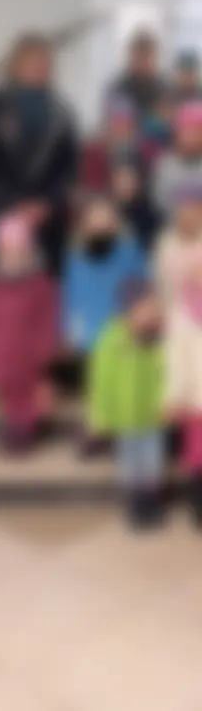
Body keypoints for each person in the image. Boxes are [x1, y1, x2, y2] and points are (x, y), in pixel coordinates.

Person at [0, 32, 81, 278]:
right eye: (31, 61)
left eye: (44, 61)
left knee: (47, 293)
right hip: (4, 216)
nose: (38, 67)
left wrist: (48, 204)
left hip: (49, 223)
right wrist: (15, 203)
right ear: (15, 64)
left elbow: (69, 166)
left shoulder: (62, 111)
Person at [0, 215, 60, 455]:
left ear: (28, 252)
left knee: (26, 390)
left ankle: (27, 427)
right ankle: (12, 424)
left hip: (28, 349)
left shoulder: (40, 285)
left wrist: (47, 346)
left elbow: (48, 317)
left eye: (18, 251)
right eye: (8, 251)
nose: (13, 256)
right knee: (7, 390)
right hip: (0, 347)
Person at [85, 279, 167, 529]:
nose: (150, 312)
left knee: (152, 461)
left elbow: (165, 373)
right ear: (128, 309)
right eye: (145, 307)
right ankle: (135, 504)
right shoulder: (111, 338)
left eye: (153, 307)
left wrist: (168, 401)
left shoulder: (160, 340)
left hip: (153, 415)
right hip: (125, 417)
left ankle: (151, 501)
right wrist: (100, 416)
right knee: (130, 463)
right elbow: (101, 381)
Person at [59, 195, 147, 402]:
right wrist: (67, 332)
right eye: (95, 217)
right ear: (86, 222)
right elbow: (69, 297)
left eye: (105, 216)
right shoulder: (75, 257)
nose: (100, 222)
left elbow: (141, 288)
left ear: (114, 220)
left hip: (121, 331)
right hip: (87, 336)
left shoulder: (130, 251)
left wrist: (135, 322)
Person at [154, 182, 202, 522]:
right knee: (196, 454)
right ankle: (197, 504)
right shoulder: (182, 319)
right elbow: (175, 362)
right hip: (195, 399)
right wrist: (173, 396)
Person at [80, 95, 158, 194]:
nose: (120, 128)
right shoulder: (94, 152)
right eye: (116, 122)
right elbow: (91, 187)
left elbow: (148, 186)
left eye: (125, 122)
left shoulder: (144, 151)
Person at [108, 30, 167, 145]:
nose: (144, 62)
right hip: (126, 149)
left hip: (159, 149)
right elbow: (117, 129)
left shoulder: (163, 88)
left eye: (148, 56)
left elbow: (166, 123)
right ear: (132, 57)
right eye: (140, 56)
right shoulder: (119, 89)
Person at [152, 102, 202, 220]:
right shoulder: (164, 164)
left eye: (197, 133)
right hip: (173, 227)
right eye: (187, 132)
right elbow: (159, 200)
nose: (192, 137)